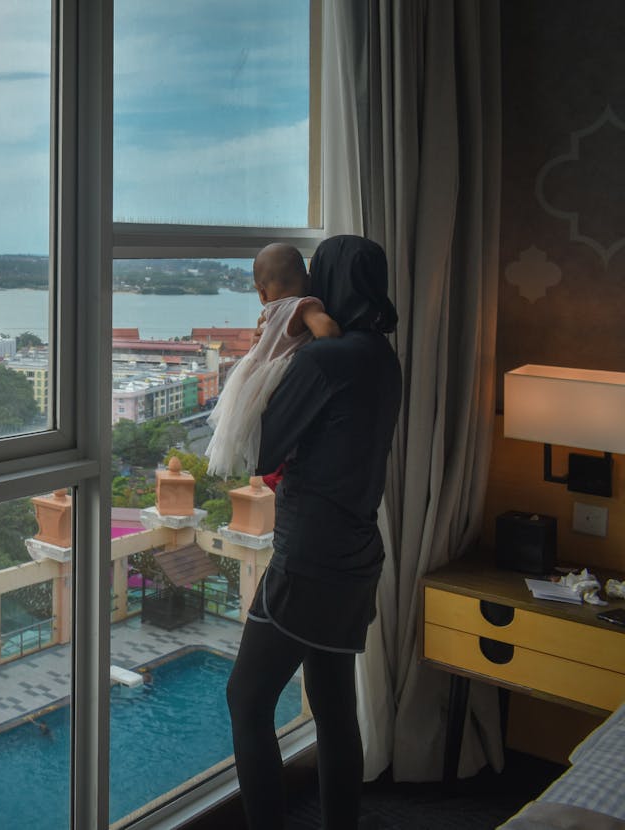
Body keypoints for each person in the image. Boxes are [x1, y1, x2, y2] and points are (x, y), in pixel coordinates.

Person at [225, 235, 402, 830]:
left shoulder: (327, 359)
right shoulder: (379, 354)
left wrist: (264, 358)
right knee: (332, 708)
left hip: (307, 559)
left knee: (246, 702)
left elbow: (258, 445)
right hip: (357, 555)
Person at [204, 243, 341, 478]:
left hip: (250, 384)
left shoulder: (268, 312)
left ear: (262, 292)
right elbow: (328, 332)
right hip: (278, 381)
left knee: (256, 438)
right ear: (307, 281)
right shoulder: (303, 306)